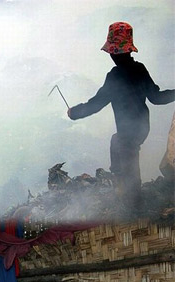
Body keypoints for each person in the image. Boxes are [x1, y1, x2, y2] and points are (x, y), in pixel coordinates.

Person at [67, 22, 175, 210]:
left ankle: (134, 206)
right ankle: (119, 179)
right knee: (116, 142)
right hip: (142, 127)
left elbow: (96, 104)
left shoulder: (115, 77)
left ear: (114, 53)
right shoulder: (140, 69)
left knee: (129, 163)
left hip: (128, 131)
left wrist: (74, 113)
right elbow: (156, 98)